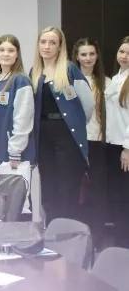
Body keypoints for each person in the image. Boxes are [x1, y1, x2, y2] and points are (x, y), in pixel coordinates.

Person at [31, 26, 93, 223]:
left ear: (60, 47)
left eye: (52, 43)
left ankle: (67, 232)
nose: (47, 46)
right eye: (43, 42)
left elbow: (88, 105)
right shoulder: (35, 72)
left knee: (67, 186)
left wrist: (76, 123)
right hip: (44, 136)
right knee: (49, 186)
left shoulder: (69, 70)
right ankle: (51, 229)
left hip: (66, 135)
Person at [72, 37, 110, 240]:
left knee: (98, 191)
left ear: (97, 56)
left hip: (98, 142)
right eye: (83, 54)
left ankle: (97, 237)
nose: (88, 58)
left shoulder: (107, 83)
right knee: (75, 191)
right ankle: (76, 236)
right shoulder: (69, 81)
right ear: (76, 57)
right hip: (74, 143)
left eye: (92, 54)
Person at [0, 35, 35, 174]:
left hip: (12, 154)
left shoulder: (21, 80)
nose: (6, 54)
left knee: (12, 188)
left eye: (11, 50)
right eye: (1, 50)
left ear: (17, 54)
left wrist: (15, 151)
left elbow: (23, 119)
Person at [105, 36, 129, 247]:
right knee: (117, 194)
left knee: (124, 196)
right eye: (122, 51)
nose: (124, 56)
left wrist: (127, 148)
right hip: (112, 144)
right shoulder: (115, 78)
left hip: (125, 147)